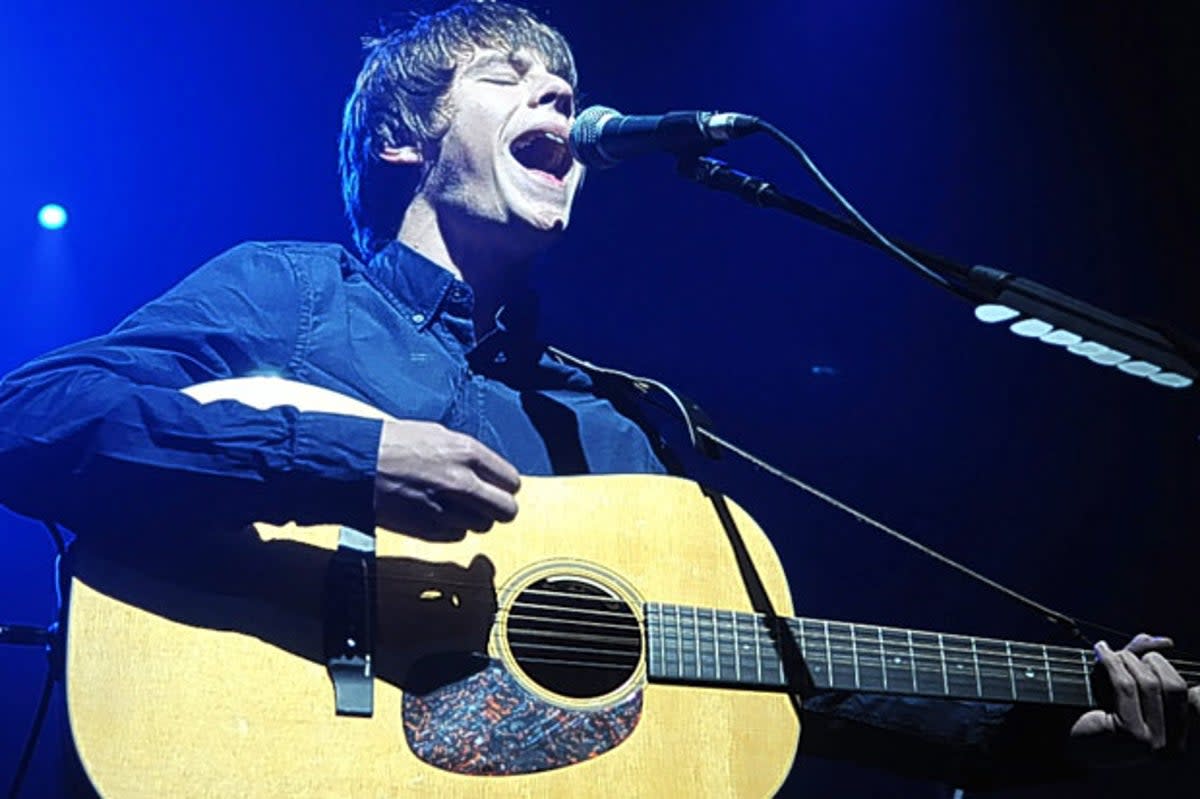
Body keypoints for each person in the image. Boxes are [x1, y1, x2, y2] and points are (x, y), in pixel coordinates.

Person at [0, 1, 1193, 795]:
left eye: (569, 88)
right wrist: (343, 463)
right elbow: (30, 416)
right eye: (510, 77)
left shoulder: (614, 425)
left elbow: (768, 679)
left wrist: (1048, 723)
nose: (561, 100)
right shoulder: (290, 293)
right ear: (409, 139)